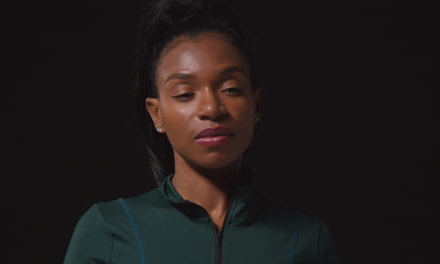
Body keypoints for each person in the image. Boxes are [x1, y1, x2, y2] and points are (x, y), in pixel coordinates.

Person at [63, 0, 341, 263]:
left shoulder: (305, 239)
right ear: (156, 114)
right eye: (185, 93)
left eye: (231, 89)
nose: (211, 108)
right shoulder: (109, 230)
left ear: (256, 105)